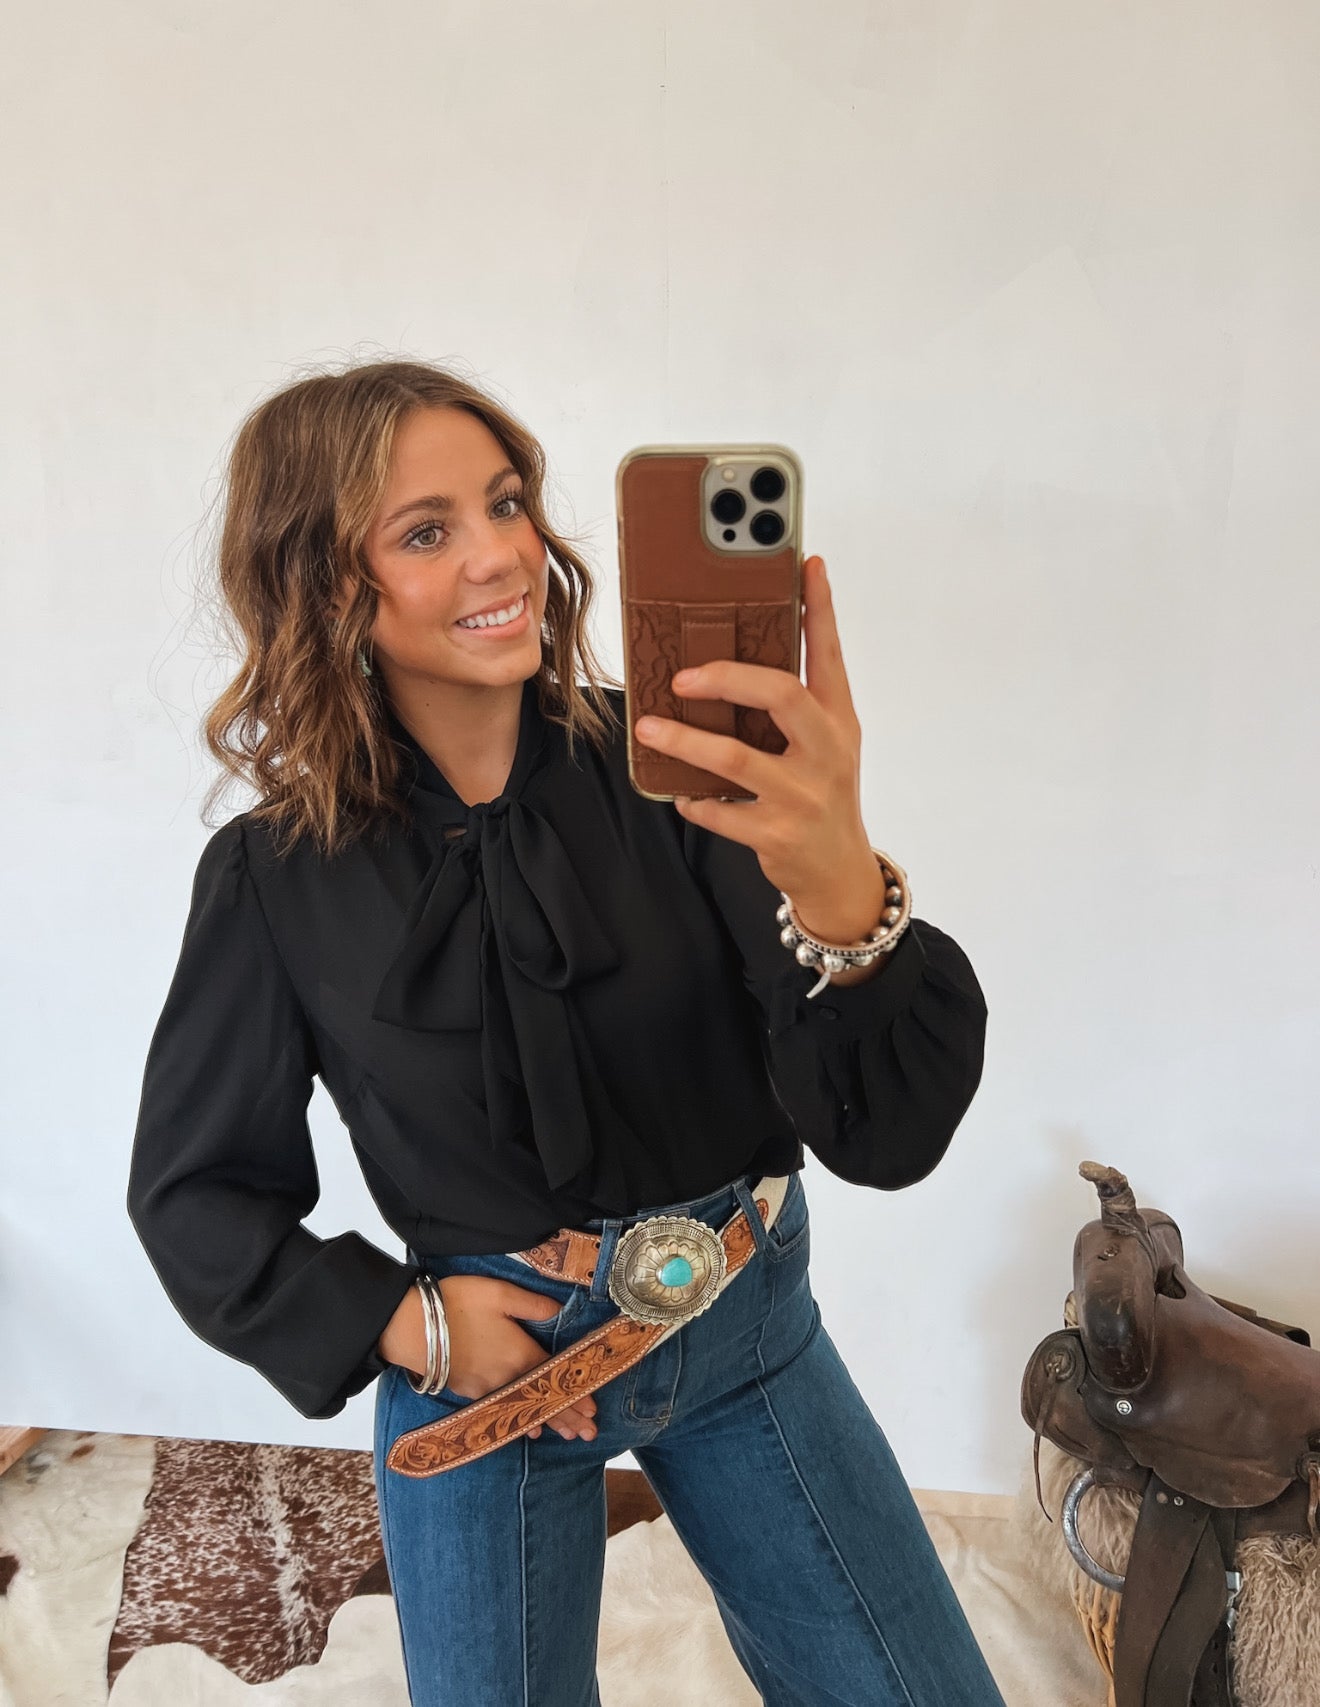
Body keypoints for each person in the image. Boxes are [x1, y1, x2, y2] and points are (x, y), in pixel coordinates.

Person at [127, 358, 1005, 1707]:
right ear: (329, 587)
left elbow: (887, 1136)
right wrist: (408, 1323)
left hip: (744, 1325)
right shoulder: (276, 877)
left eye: (506, 502)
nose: (501, 555)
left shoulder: (686, 776)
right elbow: (193, 1193)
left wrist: (841, 880)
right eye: (428, 531)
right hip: (492, 1379)